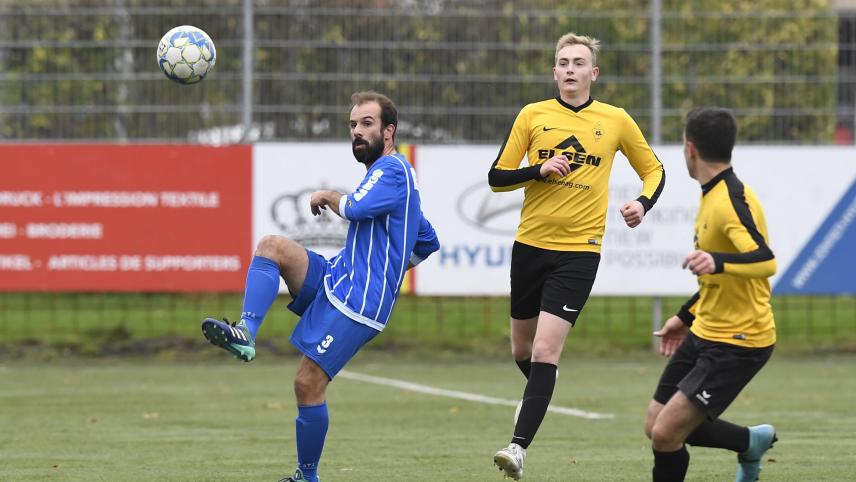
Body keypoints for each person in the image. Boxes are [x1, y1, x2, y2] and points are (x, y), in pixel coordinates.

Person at [201, 91, 440, 482]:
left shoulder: (392, 171)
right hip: (337, 277)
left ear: (389, 130)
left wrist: (328, 195)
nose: (357, 132)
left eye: (367, 124)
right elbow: (428, 241)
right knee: (271, 248)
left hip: (357, 302)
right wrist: (396, 266)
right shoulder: (393, 179)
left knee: (306, 382)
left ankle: (306, 477)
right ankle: (245, 332)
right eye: (352, 125)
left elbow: (355, 209)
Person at [488, 32, 666, 480]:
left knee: (547, 350)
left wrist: (642, 204)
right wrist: (538, 169)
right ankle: (541, 394)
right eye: (563, 62)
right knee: (522, 349)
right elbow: (497, 177)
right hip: (530, 246)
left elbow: (654, 169)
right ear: (554, 72)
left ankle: (518, 446)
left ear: (593, 73)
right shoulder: (533, 115)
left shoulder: (616, 119)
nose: (570, 68)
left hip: (579, 252)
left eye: (578, 62)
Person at [645, 107, 777, 482]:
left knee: (667, 434)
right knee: (656, 423)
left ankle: (750, 443)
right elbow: (720, 277)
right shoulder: (712, 192)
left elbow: (765, 261)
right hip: (705, 330)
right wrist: (685, 316)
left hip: (740, 340)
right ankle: (750, 442)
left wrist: (716, 260)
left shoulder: (731, 199)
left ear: (690, 149)